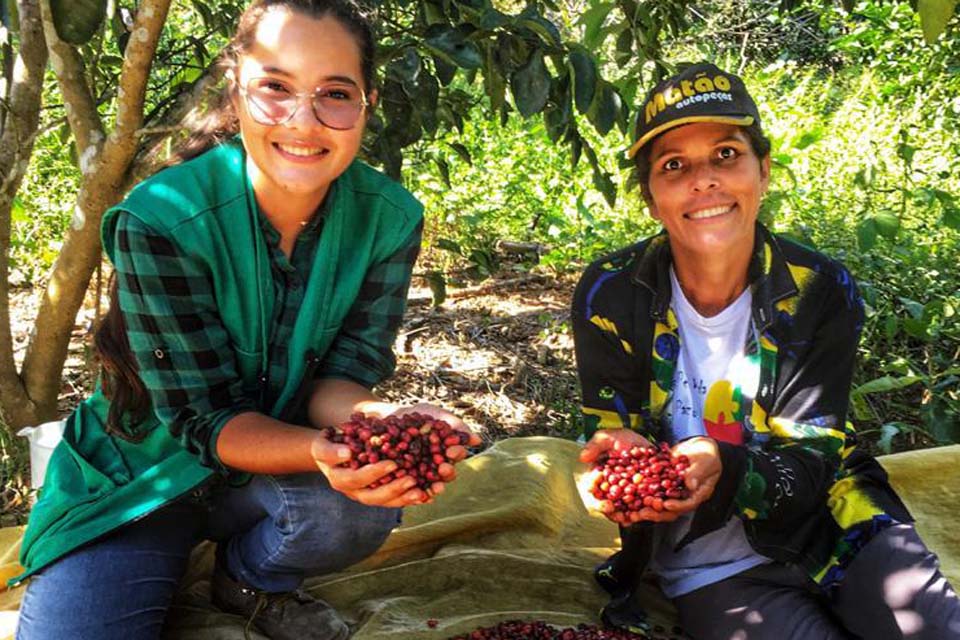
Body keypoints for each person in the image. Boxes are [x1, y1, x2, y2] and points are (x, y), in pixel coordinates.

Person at [13, 1, 479, 639]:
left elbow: (340, 376)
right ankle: (145, 555)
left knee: (362, 509)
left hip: (271, 469)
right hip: (142, 481)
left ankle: (249, 578)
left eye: (334, 94)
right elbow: (202, 418)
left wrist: (379, 425)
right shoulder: (164, 217)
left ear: (367, 102)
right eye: (276, 89)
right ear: (237, 90)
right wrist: (323, 450)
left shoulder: (388, 217)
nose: (304, 119)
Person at [573, 62, 960, 640]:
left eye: (726, 154)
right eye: (673, 165)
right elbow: (612, 434)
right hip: (711, 564)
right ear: (651, 197)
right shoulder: (610, 292)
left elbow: (813, 456)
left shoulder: (818, 288)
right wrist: (613, 460)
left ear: (764, 171)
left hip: (834, 523)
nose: (703, 179)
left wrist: (724, 466)